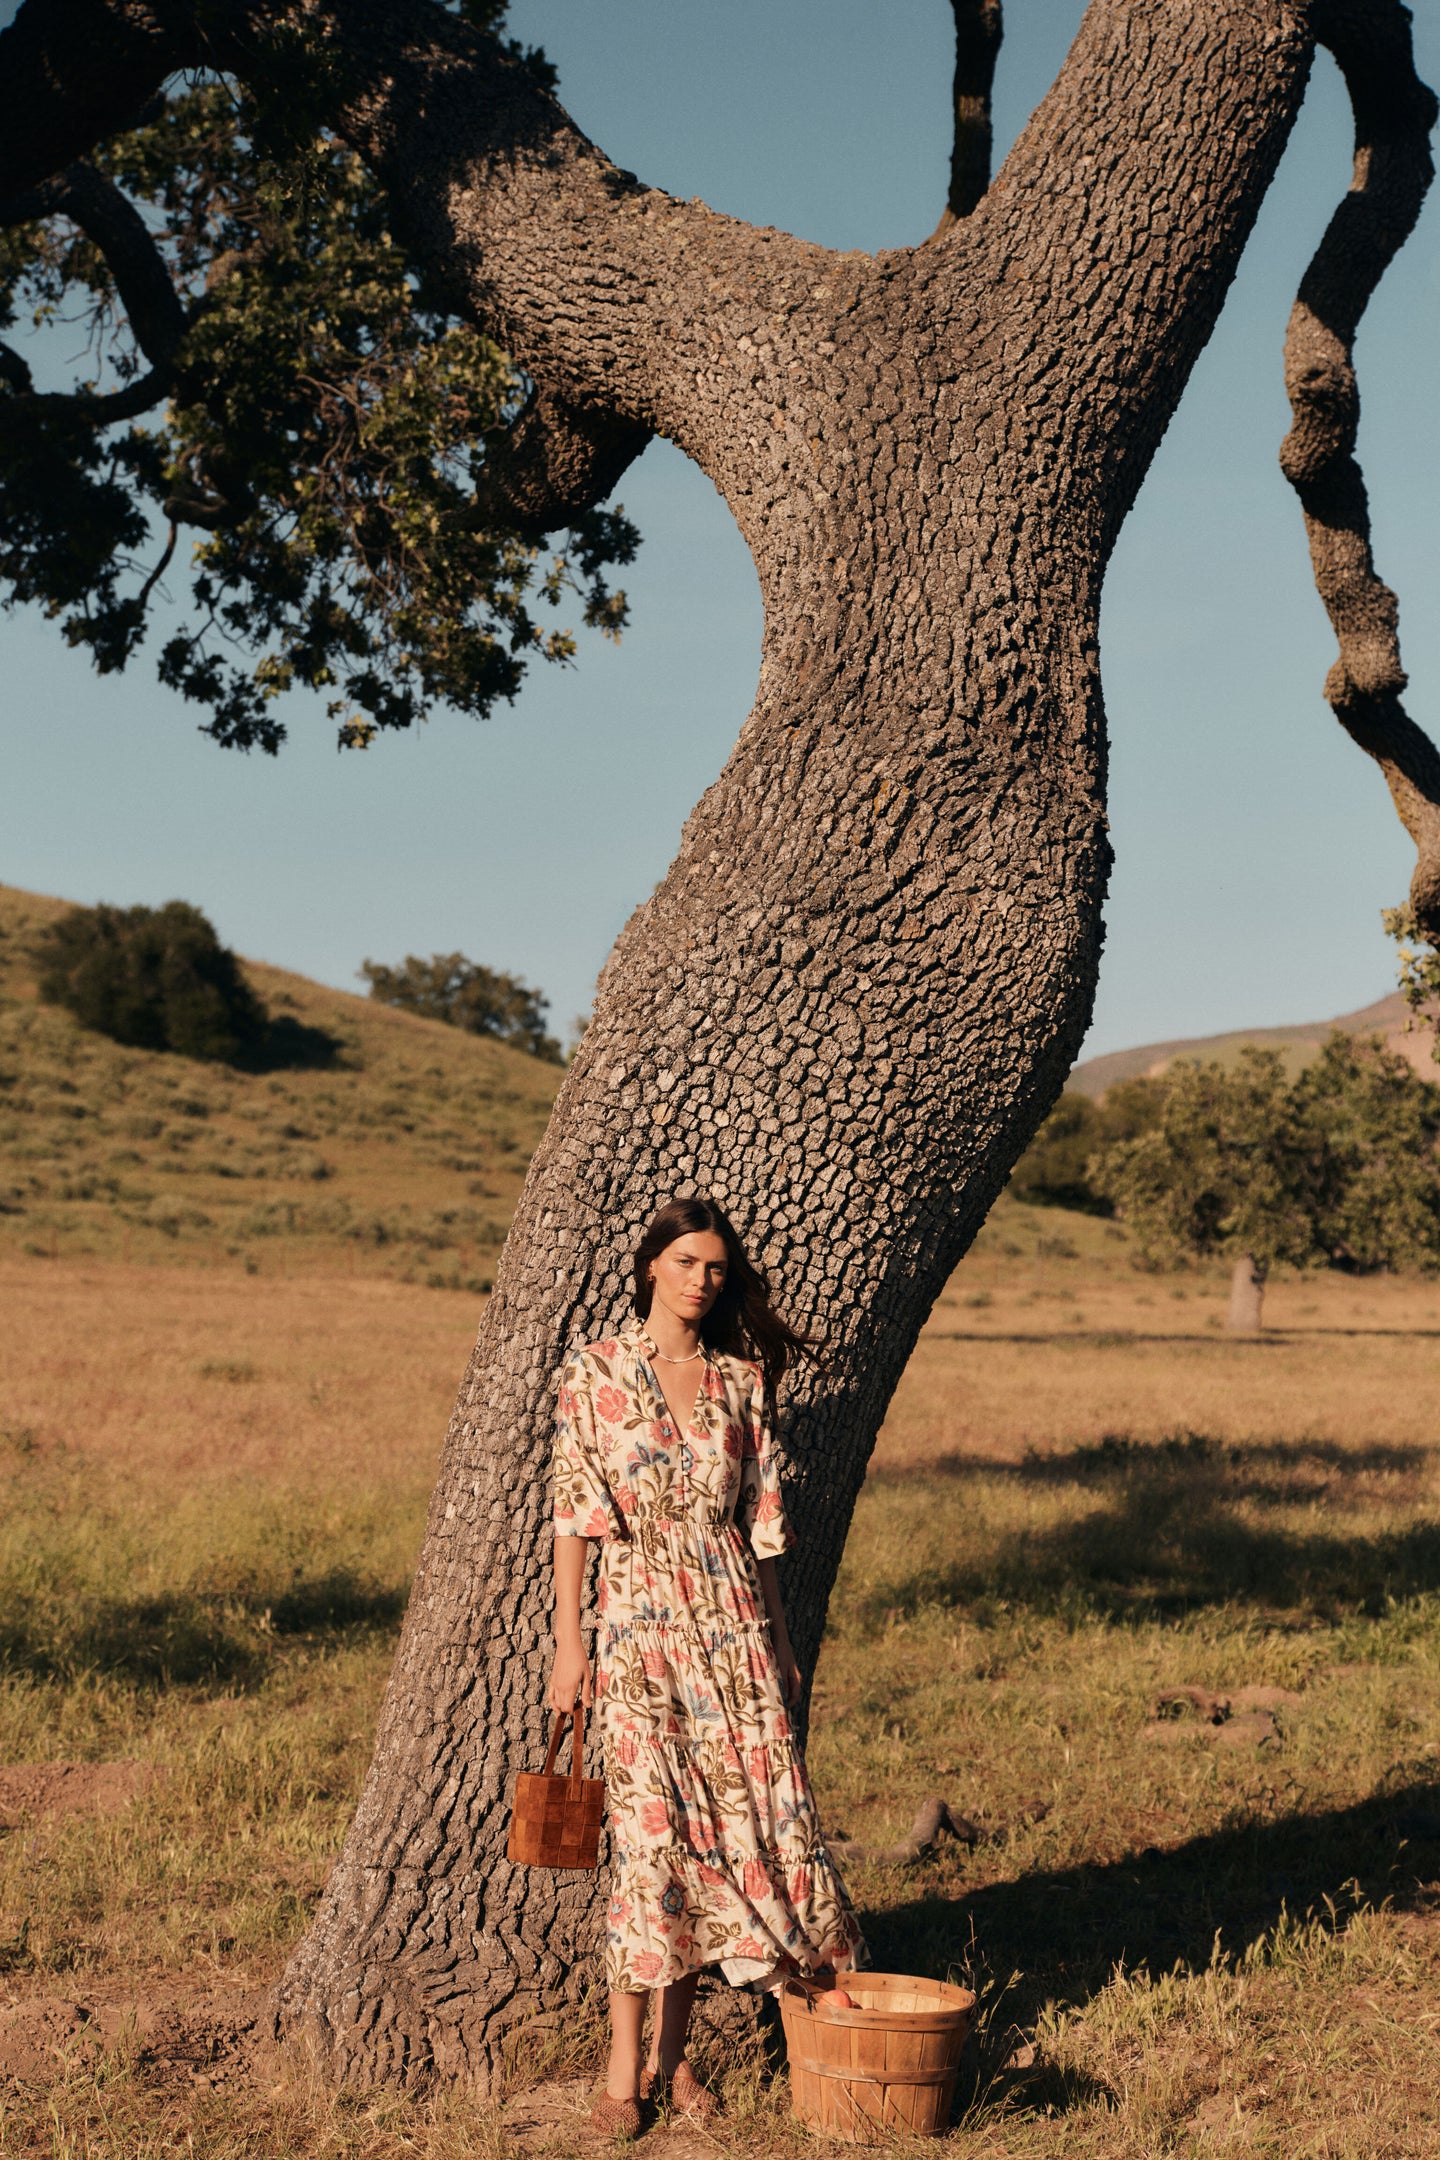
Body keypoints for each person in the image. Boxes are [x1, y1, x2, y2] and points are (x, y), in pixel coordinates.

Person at [549, 1195, 865, 2138]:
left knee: (732, 1831)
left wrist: (780, 1642)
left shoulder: (740, 1380)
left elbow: (762, 1527)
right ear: (651, 1266)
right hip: (639, 1626)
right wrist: (571, 1647)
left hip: (730, 1628)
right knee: (651, 1845)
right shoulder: (597, 1371)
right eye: (686, 1262)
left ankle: (675, 2058)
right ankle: (622, 2075)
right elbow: (573, 1514)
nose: (702, 1280)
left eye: (716, 1268)